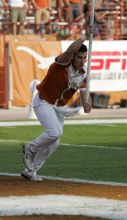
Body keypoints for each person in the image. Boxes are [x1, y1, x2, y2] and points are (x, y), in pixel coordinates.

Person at [21, 33, 92, 181]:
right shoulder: (61, 64)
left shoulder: (84, 73)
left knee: (54, 143)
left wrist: (87, 103)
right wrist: (84, 36)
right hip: (43, 101)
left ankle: (31, 171)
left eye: (85, 58)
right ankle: (30, 148)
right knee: (54, 132)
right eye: (79, 57)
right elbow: (69, 51)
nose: (82, 61)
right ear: (73, 56)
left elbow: (85, 93)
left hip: (58, 107)